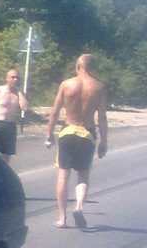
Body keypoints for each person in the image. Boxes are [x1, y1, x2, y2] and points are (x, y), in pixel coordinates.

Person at [45, 53, 108, 228]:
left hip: (67, 132)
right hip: (87, 134)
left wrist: (49, 133)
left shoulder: (66, 84)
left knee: (63, 176)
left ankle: (62, 218)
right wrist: (104, 141)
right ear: (92, 68)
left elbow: (55, 111)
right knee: (83, 175)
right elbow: (102, 117)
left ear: (78, 66)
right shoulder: (99, 87)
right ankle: (79, 206)